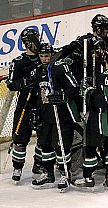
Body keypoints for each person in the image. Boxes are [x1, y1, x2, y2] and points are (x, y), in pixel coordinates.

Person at [71, 47, 108, 191]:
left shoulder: (106, 76)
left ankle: (88, 178)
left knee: (90, 148)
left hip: (102, 121)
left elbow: (104, 102)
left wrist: (89, 92)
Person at [32, 43, 80, 191]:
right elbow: (36, 94)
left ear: (52, 55)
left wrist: (62, 96)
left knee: (61, 147)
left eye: (47, 56)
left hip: (62, 114)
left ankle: (65, 174)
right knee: (45, 144)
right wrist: (34, 111)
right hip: (45, 114)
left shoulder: (60, 68)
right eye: (41, 56)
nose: (44, 59)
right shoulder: (38, 71)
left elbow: (75, 88)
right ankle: (48, 173)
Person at [5, 28, 43, 183]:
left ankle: (38, 165)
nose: (38, 42)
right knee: (20, 137)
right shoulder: (19, 62)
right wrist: (25, 82)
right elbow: (11, 84)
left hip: (42, 102)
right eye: (35, 39)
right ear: (28, 43)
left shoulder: (44, 56)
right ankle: (18, 167)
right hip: (25, 104)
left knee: (44, 138)